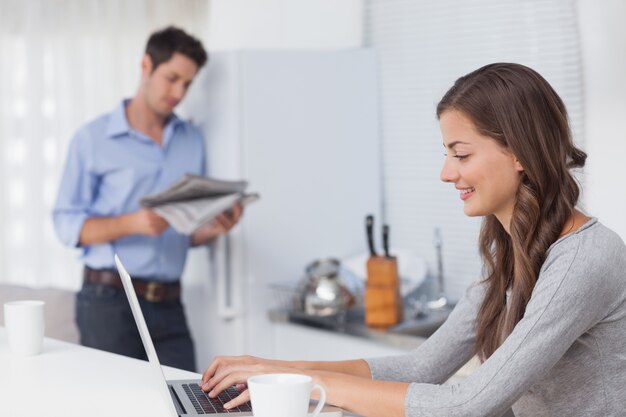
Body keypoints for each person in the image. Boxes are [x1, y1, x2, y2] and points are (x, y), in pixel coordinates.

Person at [198, 63, 626, 416]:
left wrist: (310, 385)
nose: (446, 172)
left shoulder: (584, 258)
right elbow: (423, 366)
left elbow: (470, 404)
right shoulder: (512, 251)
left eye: (461, 154)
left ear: (519, 153)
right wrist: (276, 370)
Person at [52, 26, 243, 372]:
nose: (178, 92)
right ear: (145, 66)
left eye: (187, 84)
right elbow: (66, 224)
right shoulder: (92, 139)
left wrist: (212, 228)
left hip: (170, 303)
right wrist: (132, 223)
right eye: (171, 78)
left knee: (183, 402)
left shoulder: (192, 139)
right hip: (108, 302)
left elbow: (182, 231)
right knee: (114, 405)